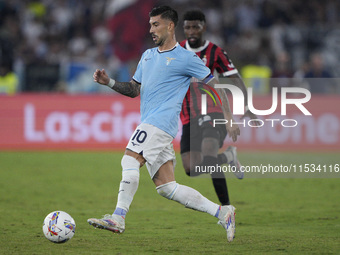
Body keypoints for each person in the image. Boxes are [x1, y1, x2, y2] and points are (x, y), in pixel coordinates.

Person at [87, 6, 240, 242]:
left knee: (129, 159)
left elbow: (215, 83)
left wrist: (228, 116)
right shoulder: (147, 56)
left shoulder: (186, 58)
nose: (151, 29)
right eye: (150, 25)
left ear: (170, 26)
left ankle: (118, 217)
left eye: (155, 24)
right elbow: (134, 89)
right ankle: (223, 212)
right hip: (152, 123)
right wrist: (110, 82)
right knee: (167, 188)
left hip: (161, 123)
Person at [179, 10, 259, 206]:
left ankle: (226, 209)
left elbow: (236, 79)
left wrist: (246, 106)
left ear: (203, 28)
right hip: (188, 116)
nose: (192, 31)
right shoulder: (176, 50)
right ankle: (228, 156)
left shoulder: (216, 51)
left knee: (209, 155)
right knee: (191, 169)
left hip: (212, 110)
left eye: (195, 27)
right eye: (188, 27)